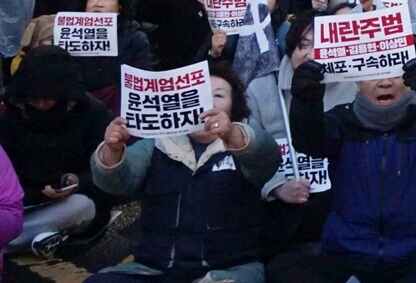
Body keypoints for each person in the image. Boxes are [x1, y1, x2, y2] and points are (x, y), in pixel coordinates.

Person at [270, 55, 416, 283]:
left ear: (409, 79)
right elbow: (309, 142)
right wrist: (306, 102)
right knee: (284, 268)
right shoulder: (341, 120)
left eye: (394, 73)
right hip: (346, 258)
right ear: (356, 81)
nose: (385, 82)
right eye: (373, 74)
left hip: (415, 259)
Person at [89, 63, 281, 282]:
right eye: (197, 95)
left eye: (218, 96)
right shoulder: (157, 143)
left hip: (228, 272)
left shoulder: (246, 140)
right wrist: (112, 150)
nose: (207, 103)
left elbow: (267, 158)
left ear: (233, 107)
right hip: (153, 269)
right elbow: (117, 182)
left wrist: (232, 134)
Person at [0, 46, 113, 257]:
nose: (41, 105)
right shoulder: (12, 114)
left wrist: (74, 182)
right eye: (34, 98)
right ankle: (31, 238)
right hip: (18, 200)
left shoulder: (93, 114)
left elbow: (108, 173)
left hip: (66, 202)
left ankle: (12, 241)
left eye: (49, 99)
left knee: (80, 207)